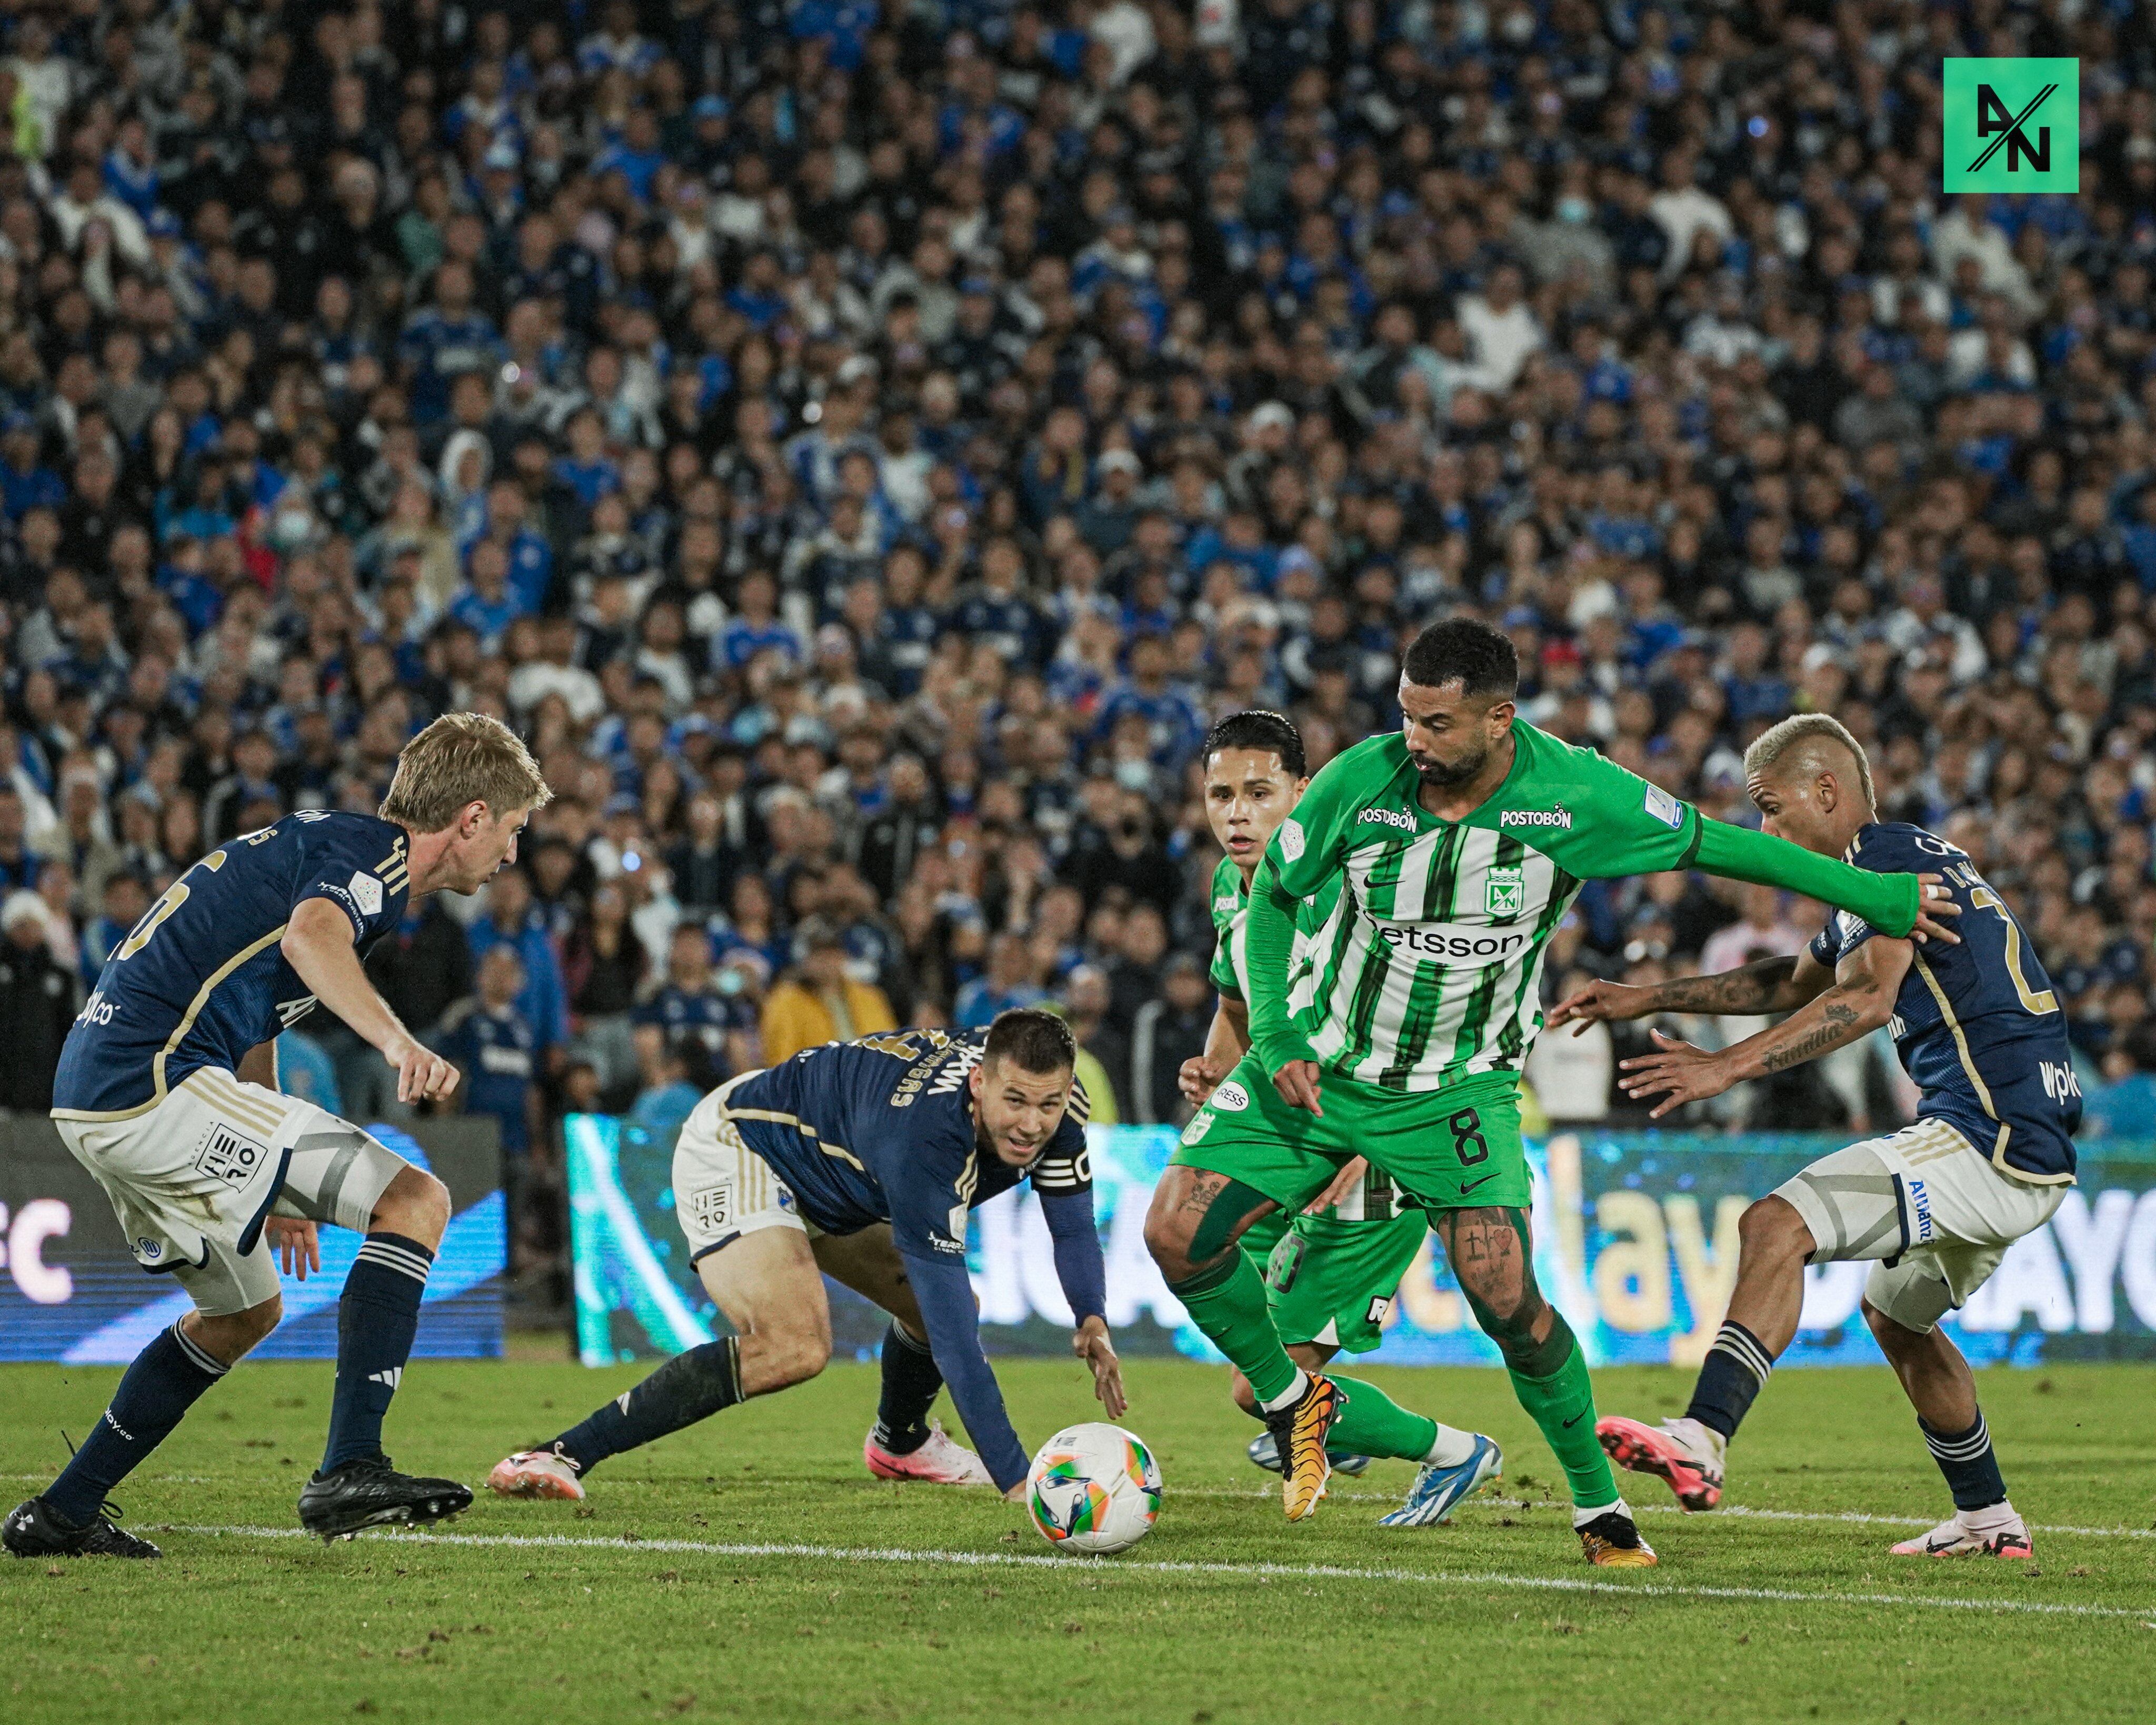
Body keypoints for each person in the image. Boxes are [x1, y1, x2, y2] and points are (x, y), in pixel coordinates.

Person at [1144, 617, 1962, 1564]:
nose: (1415, 740)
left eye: (1439, 723)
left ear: (1501, 717)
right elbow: (1275, 903)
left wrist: (1879, 899)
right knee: (1175, 1230)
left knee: (1507, 1300)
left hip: (1453, 1093)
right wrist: (1278, 1034)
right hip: (1317, 1070)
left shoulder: (1575, 794)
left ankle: (1596, 1504)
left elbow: (1718, 847)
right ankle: (1295, 1403)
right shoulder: (1357, 782)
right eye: (1408, 716)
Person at [4, 713, 551, 1559]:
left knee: (244, 1311)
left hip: (104, 1091)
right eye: (513, 830)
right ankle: (350, 1466)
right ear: (472, 818)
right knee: (415, 1199)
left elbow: (259, 1009)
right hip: (156, 1082)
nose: (512, 854)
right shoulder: (374, 859)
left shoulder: (328, 848)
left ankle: (63, 1513)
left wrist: (277, 1180)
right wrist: (397, 1043)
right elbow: (310, 939)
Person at [1555, 714, 2068, 1562]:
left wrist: (1727, 1069)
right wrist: (1651, 997)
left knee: (1775, 1225)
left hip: (1985, 1133)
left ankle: (1702, 1436)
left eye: (1771, 807)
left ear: (1826, 791)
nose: (1766, 833)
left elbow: (1864, 1000)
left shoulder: (1882, 861)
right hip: (2024, 1136)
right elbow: (1792, 980)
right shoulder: (1901, 864)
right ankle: (1988, 1517)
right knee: (1896, 1319)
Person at [486, 1011, 1123, 1502]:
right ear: (979, 1083)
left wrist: (1090, 1315)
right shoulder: (927, 1143)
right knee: (793, 1345)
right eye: (1015, 1101)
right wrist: (1019, 1480)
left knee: (934, 1313)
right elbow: (960, 1346)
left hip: (832, 1163)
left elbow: (1071, 1227)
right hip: (746, 1144)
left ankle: (900, 1443)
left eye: (1048, 1103)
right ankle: (558, 1452)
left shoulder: (1046, 1100)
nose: (1032, 1124)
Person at [1178, 710, 1499, 1527]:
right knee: (1222, 1295)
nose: (1238, 813)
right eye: (1221, 795)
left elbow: (1406, 1021)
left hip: (1375, 1155)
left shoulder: (1348, 886)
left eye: (1259, 793)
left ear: (1304, 792)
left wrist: (1363, 1146)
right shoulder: (1231, 886)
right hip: (1289, 1137)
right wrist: (1218, 1068)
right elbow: (1235, 999)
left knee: (1265, 1387)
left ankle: (1454, 1451)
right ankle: (1334, 1428)